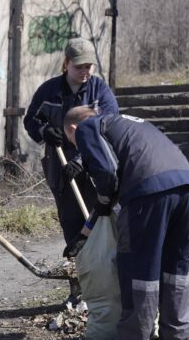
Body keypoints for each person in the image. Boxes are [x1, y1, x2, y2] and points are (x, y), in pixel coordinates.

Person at [63, 107, 189, 340]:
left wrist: (104, 200)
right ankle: (175, 338)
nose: (76, 145)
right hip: (185, 183)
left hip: (148, 191)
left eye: (71, 140)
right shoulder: (127, 122)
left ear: (72, 129)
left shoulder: (87, 127)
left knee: (139, 267)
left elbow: (107, 171)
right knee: (174, 264)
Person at [23, 38, 119, 306]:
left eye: (89, 66)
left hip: (96, 169)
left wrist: (82, 159)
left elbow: (110, 126)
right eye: (79, 66)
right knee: (72, 228)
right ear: (66, 64)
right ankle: (78, 289)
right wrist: (45, 131)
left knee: (98, 225)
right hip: (62, 170)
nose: (85, 71)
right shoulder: (49, 91)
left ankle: (104, 288)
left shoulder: (100, 92)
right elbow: (31, 120)